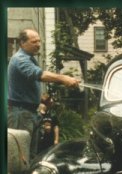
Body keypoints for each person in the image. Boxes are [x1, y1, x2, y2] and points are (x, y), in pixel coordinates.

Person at [8, 28, 80, 159]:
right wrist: (64, 79)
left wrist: (41, 100)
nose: (38, 44)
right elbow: (40, 75)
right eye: (34, 41)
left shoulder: (29, 59)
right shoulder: (20, 59)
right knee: (20, 157)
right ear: (22, 43)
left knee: (30, 156)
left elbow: (23, 89)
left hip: (28, 113)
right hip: (20, 114)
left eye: (39, 41)